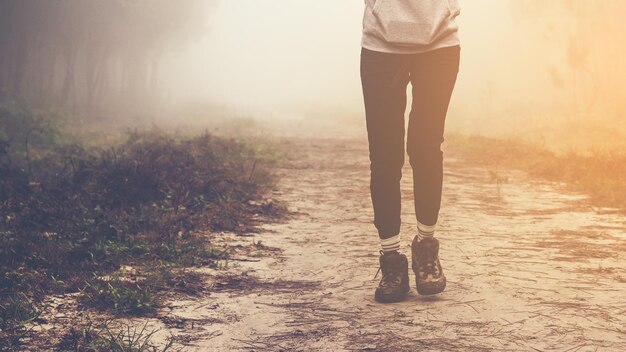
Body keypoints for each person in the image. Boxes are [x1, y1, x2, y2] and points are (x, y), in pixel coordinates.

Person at [360, 0, 461, 303]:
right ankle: (392, 261)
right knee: (384, 155)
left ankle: (426, 249)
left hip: (440, 41)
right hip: (380, 45)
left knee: (426, 147)